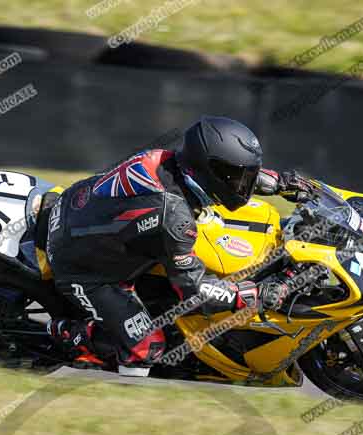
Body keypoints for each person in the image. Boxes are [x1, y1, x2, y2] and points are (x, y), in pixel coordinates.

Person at [44, 116, 312, 376]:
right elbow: (194, 294)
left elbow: (222, 178)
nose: (244, 185)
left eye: (247, 176)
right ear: (209, 170)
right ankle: (72, 334)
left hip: (75, 210)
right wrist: (253, 294)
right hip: (82, 268)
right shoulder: (174, 217)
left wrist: (279, 182)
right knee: (148, 350)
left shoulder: (166, 159)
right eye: (238, 177)